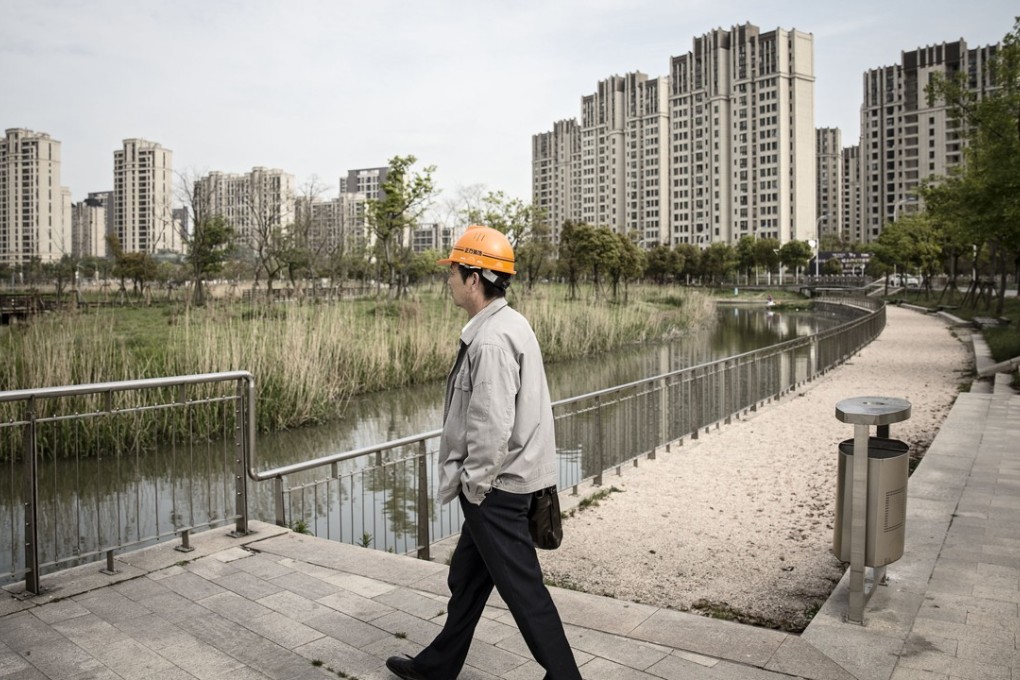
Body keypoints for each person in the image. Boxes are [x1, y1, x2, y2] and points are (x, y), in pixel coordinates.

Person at [386, 226, 582, 680]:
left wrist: (474, 488)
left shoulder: (492, 340)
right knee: (467, 582)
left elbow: (491, 428)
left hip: (497, 490)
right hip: (504, 484)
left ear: (474, 277)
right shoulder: (508, 325)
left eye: (453, 272)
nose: (448, 281)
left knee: (525, 594)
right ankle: (436, 668)